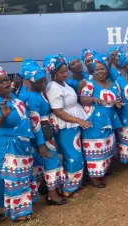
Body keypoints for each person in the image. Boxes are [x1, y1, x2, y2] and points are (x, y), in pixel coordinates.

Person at [0, 65, 36, 222]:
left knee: (23, 175)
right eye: (0, 82)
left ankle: (26, 205)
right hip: (8, 147)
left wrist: (17, 85)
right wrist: (3, 117)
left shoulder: (10, 96)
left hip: (22, 144)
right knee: (14, 179)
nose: (5, 83)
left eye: (6, 80)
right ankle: (19, 213)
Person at [19, 64, 68, 205]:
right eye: (40, 82)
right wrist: (41, 144)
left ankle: (45, 187)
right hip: (41, 135)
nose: (43, 84)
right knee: (51, 160)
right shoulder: (33, 98)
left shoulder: (29, 91)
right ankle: (52, 194)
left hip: (43, 132)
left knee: (43, 161)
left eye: (44, 81)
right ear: (30, 81)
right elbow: (35, 123)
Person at [44, 54, 92, 198]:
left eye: (66, 71)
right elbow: (57, 111)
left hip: (73, 124)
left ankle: (75, 184)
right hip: (66, 125)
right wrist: (78, 120)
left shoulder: (63, 84)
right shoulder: (53, 87)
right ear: (53, 74)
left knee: (76, 154)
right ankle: (68, 188)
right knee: (73, 156)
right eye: (62, 72)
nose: (66, 74)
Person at [80, 54, 122, 188]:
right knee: (94, 146)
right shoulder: (90, 84)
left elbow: (117, 99)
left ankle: (102, 171)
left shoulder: (113, 84)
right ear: (93, 71)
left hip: (109, 118)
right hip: (94, 120)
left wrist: (117, 103)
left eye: (102, 69)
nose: (100, 72)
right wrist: (93, 99)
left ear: (107, 69)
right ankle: (94, 177)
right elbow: (82, 99)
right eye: (97, 70)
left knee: (106, 145)